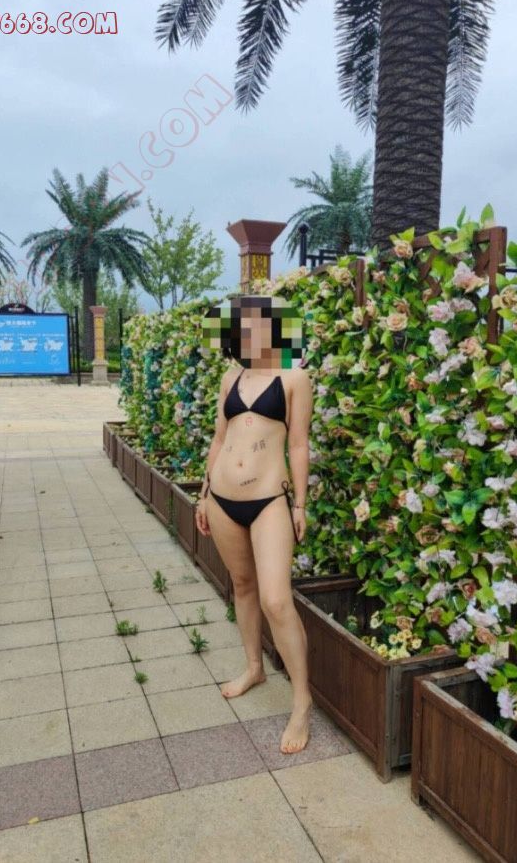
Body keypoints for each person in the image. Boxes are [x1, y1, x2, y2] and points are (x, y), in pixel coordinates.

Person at [196, 295, 314, 753]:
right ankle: (254, 667)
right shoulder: (232, 377)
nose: (251, 331)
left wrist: (299, 504)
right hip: (222, 498)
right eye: (244, 325)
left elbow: (299, 445)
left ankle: (301, 701)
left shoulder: (294, 378)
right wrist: (204, 493)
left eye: (260, 322)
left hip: (269, 500)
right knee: (242, 587)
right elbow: (219, 438)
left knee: (276, 600)